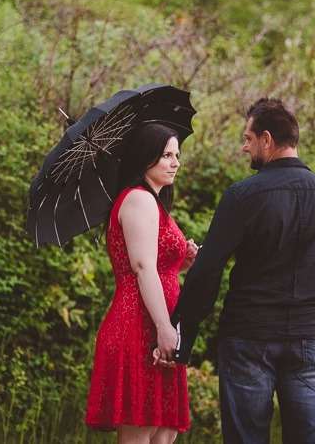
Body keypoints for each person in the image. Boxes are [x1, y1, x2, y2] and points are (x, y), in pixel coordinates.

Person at [172, 98, 315, 444]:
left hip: (248, 339)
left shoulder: (243, 196)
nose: (244, 146)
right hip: (309, 339)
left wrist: (184, 331)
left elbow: (209, 268)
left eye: (248, 138)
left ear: (267, 140)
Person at [85, 123, 198, 443]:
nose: (176, 162)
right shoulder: (138, 199)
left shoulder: (153, 202)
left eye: (177, 155)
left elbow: (156, 265)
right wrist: (164, 327)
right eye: (166, 155)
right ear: (145, 158)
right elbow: (141, 267)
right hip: (139, 325)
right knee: (141, 434)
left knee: (164, 433)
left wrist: (180, 263)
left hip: (156, 322)